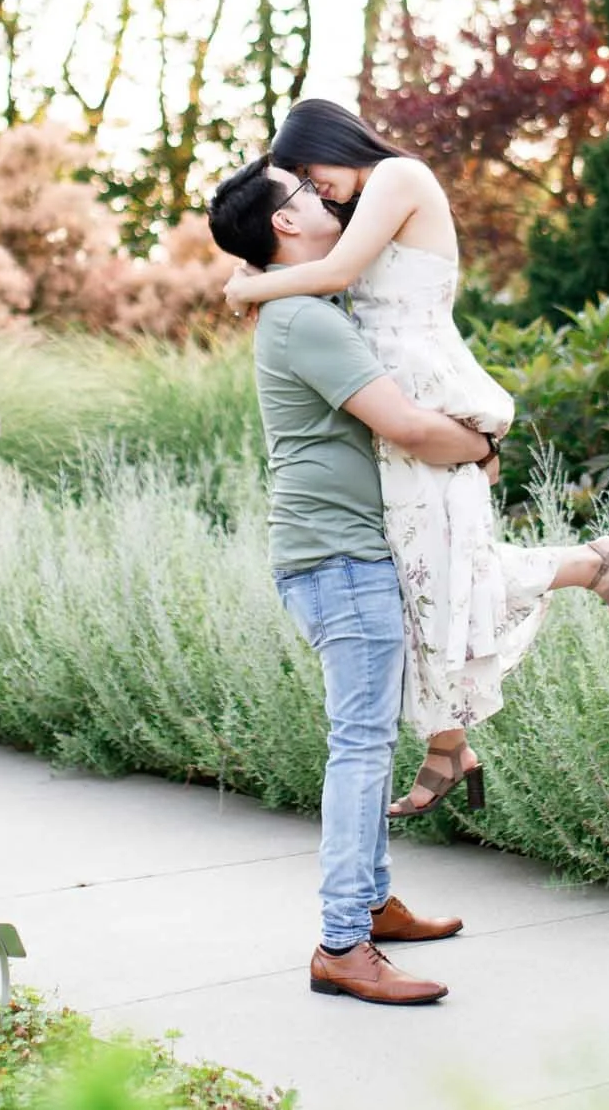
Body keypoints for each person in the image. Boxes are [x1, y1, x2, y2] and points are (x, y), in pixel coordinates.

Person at [221, 101, 609, 819]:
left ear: (331, 142)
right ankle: (447, 742)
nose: (315, 188)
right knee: (423, 574)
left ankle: (592, 563)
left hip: (422, 391)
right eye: (299, 183)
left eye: (309, 172)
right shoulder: (362, 202)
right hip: (395, 399)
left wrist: (247, 284)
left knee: (447, 572)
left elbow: (338, 268)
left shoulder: (397, 175)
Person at [206, 155, 490, 1006]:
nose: (332, 197)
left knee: (365, 741)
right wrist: (484, 446)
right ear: (285, 224)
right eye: (307, 193)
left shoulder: (301, 304)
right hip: (338, 559)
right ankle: (342, 942)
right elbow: (403, 425)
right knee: (360, 748)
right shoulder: (303, 317)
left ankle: (372, 904)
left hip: (333, 554)